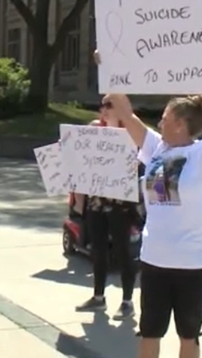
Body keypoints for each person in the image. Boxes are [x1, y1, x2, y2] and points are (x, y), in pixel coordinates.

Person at [95, 49, 202, 358]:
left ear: (181, 124)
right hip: (155, 261)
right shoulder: (155, 147)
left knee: (188, 337)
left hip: (194, 263)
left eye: (165, 118)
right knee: (149, 334)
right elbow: (125, 113)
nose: (160, 121)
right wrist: (108, 68)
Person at [74, 102, 140, 320]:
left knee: (122, 251)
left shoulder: (128, 133)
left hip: (120, 204)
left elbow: (134, 161)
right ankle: (98, 296)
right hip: (97, 201)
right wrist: (78, 198)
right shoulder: (94, 129)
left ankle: (127, 301)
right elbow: (79, 161)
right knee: (98, 250)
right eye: (103, 107)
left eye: (109, 107)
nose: (104, 110)